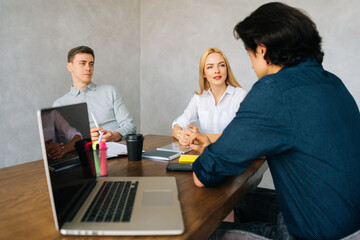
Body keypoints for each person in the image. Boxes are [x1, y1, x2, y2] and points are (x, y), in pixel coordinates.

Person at [188, 2, 360, 240]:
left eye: (249, 54)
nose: (250, 63)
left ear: (261, 49)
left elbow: (205, 173)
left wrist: (211, 154)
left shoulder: (274, 89)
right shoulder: (332, 82)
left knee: (196, 232)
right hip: (348, 221)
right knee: (242, 201)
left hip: (315, 233)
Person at [53, 46, 136, 142]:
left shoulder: (110, 91)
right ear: (69, 66)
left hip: (118, 149)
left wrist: (114, 136)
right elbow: (63, 142)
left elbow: (130, 126)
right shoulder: (60, 104)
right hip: (87, 152)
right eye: (83, 63)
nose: (88, 68)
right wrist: (86, 139)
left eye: (91, 64)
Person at [172, 48, 247, 145]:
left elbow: (240, 134)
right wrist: (182, 135)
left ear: (227, 69)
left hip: (232, 154)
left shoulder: (240, 95)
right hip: (207, 154)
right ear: (203, 73)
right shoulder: (199, 97)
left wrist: (199, 137)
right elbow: (178, 124)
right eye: (210, 67)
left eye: (221, 65)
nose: (217, 71)